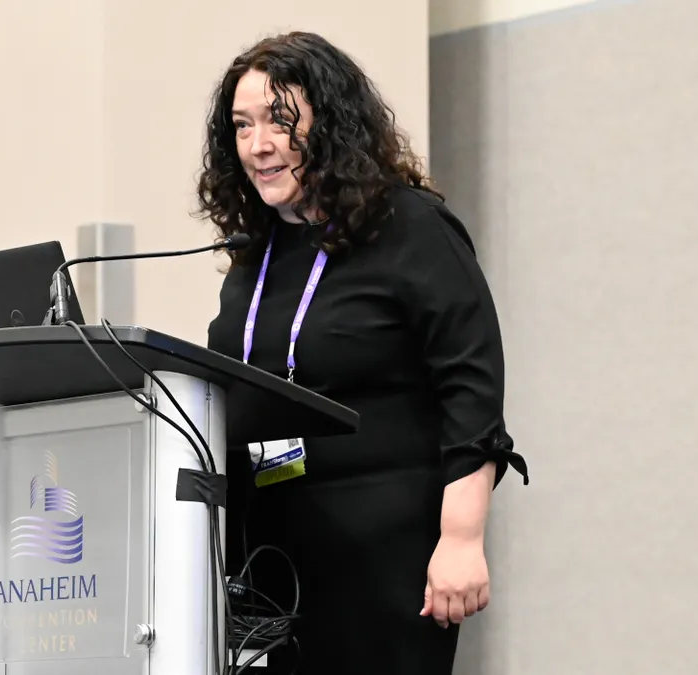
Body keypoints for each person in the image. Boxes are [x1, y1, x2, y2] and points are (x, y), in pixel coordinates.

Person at [198, 31, 529, 674]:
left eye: (279, 120)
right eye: (242, 126)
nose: (258, 144)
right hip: (270, 557)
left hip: (387, 553)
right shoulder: (254, 255)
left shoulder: (410, 228)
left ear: (331, 123)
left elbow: (471, 385)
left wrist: (462, 538)